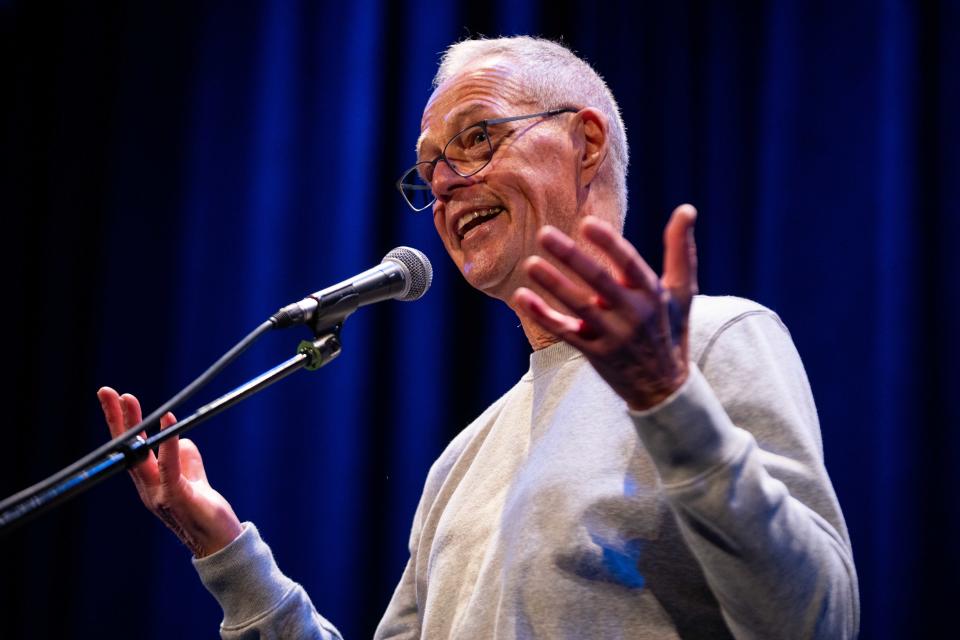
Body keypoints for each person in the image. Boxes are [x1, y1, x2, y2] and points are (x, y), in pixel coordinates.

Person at [98, 36, 859, 638]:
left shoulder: (714, 339)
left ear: (585, 143)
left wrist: (669, 401)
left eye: (478, 137)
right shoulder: (461, 462)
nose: (447, 184)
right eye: (429, 170)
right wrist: (229, 558)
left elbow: (815, 621)